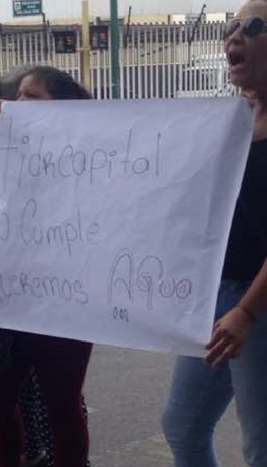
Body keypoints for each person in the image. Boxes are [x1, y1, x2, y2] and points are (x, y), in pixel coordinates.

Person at [0, 66, 94, 467]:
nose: (18, 104)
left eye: (32, 97)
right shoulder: (1, 154)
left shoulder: (86, 161)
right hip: (7, 299)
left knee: (61, 404)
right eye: (18, 96)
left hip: (64, 304)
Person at [162, 2, 267, 466]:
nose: (234, 37)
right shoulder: (232, 120)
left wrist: (246, 313)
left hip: (256, 306)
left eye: (253, 26)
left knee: (260, 446)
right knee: (183, 426)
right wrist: (19, 123)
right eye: (231, 27)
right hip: (218, 297)